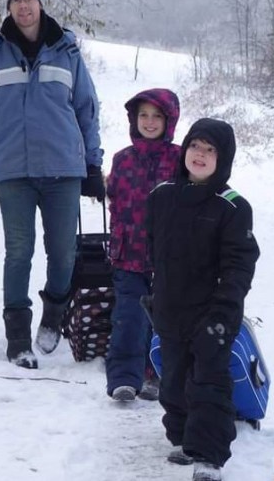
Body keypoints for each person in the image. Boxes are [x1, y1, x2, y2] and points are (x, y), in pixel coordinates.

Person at [0, 0, 104, 369]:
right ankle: (18, 337)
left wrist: (92, 162)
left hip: (63, 168)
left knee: (63, 252)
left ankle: (54, 315)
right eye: (16, 0)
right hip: (13, 171)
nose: (24, 6)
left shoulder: (67, 52)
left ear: (41, 4)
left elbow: (86, 110)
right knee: (18, 252)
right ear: (8, 7)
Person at [146, 118, 260, 481]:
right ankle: (182, 438)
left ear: (223, 158)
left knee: (209, 381)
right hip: (170, 308)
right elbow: (155, 249)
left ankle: (209, 456)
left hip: (213, 312)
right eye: (195, 146)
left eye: (211, 150)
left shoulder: (233, 206)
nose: (200, 154)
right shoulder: (162, 195)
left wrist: (224, 311)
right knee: (175, 379)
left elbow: (239, 266)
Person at [105, 89, 181, 403]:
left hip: (168, 256)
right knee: (129, 316)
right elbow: (112, 198)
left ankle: (157, 374)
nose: (149, 122)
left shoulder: (179, 158)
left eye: (157, 116)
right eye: (143, 115)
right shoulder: (122, 159)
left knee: (164, 317)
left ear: (169, 121)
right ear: (134, 120)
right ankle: (124, 378)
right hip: (128, 254)